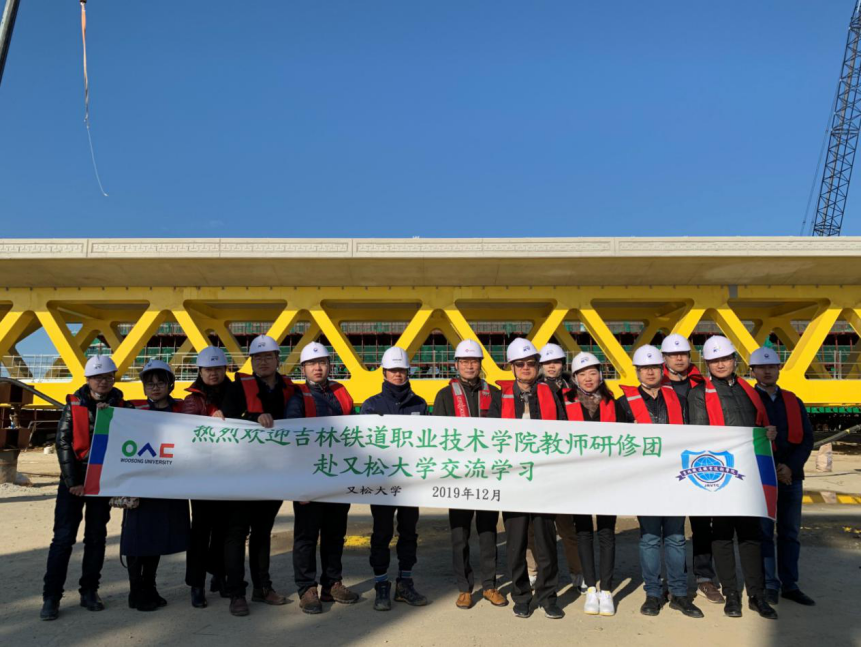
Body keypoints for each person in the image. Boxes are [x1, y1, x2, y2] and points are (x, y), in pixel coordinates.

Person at [688, 336, 778, 620]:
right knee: (722, 535)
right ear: (707, 364)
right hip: (721, 474)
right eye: (714, 360)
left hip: (749, 472)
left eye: (725, 359)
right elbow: (701, 435)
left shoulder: (750, 391)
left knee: (751, 535)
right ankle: (732, 596)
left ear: (734, 360)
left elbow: (759, 425)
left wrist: (768, 433)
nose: (720, 364)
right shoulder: (699, 394)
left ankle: (757, 596)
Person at [618, 346, 703, 619]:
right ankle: (653, 594)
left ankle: (679, 594)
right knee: (650, 538)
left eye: (654, 367)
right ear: (637, 372)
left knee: (676, 538)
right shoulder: (624, 403)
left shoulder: (679, 398)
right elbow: (615, 443)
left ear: (661, 369)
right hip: (644, 480)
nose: (650, 372)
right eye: (644, 368)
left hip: (675, 477)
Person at [221, 334, 302, 616]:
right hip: (242, 472)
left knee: (262, 532)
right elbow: (227, 421)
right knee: (236, 532)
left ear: (278, 359)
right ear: (251, 361)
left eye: (268, 357)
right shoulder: (237, 389)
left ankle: (262, 587)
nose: (263, 362)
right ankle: (236, 593)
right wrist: (254, 418)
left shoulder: (291, 390)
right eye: (257, 357)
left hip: (274, 472)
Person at [40, 356, 125, 621]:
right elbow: (63, 442)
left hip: (101, 481)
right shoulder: (73, 405)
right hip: (74, 482)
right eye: (98, 377)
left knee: (96, 537)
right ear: (88, 380)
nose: (103, 381)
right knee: (63, 539)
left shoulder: (121, 406)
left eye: (108, 376)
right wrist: (73, 481)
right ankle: (51, 597)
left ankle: (89, 591)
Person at [432, 339, 506, 610]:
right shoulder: (444, 395)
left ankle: (490, 586)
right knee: (459, 535)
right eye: (464, 361)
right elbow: (437, 435)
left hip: (488, 474)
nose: (469, 366)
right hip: (459, 475)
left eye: (473, 361)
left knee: (488, 532)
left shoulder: (495, 394)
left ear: (480, 364)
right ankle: (464, 588)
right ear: (457, 365)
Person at [499, 338, 566, 620]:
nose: (526, 368)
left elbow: (564, 432)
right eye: (520, 364)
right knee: (516, 544)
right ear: (512, 367)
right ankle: (522, 596)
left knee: (546, 542)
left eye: (530, 363)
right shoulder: (500, 397)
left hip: (543, 480)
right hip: (513, 481)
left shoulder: (551, 394)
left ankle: (548, 596)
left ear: (537, 366)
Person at [292, 342, 359, 614]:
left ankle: (332, 583)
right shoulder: (297, 396)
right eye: (311, 364)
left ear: (329, 365)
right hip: (309, 477)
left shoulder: (341, 392)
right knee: (306, 535)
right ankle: (307, 588)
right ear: (303, 369)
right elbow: (291, 437)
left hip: (338, 476)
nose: (317, 368)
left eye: (321, 362)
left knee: (335, 533)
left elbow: (356, 429)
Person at [361, 346, 429, 611]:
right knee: (381, 533)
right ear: (384, 372)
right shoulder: (371, 405)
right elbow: (363, 444)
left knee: (409, 532)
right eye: (393, 370)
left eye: (401, 370)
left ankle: (405, 583)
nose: (398, 374)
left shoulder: (419, 404)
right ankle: (381, 584)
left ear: (407, 372)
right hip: (382, 482)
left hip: (410, 483)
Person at [749, 347, 815, 607]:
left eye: (772, 367)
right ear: (753, 371)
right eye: (762, 367)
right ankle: (769, 584)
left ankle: (790, 584)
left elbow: (807, 438)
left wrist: (791, 468)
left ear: (778, 369)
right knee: (764, 533)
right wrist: (776, 467)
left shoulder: (793, 400)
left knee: (789, 532)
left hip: (791, 477)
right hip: (762, 477)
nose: (767, 371)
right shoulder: (747, 401)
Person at [123, 360, 191, 612]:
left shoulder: (183, 410)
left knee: (156, 537)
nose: (155, 387)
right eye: (149, 383)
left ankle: (149, 586)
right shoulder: (131, 409)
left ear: (170, 385)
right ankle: (135, 590)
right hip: (139, 483)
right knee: (136, 537)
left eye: (160, 382)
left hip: (169, 485)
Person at [660, 333, 721, 604]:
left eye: (683, 354)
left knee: (702, 524)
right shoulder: (656, 386)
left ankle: (705, 577)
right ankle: (673, 579)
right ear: (664, 358)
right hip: (667, 465)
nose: (679, 358)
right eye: (673, 355)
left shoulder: (703, 385)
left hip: (699, 461)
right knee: (670, 528)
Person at [565, 351, 625, 617]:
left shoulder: (614, 403)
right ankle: (591, 587)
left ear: (600, 375)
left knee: (606, 533)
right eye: (582, 374)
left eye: (592, 373)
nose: (588, 378)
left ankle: (607, 590)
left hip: (607, 478)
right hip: (578, 478)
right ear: (575, 378)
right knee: (583, 533)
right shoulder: (565, 403)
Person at [530, 343, 585, 593]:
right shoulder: (532, 390)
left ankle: (577, 572)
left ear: (563, 364)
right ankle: (534, 571)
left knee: (567, 527)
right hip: (541, 465)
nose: (552, 366)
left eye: (556, 362)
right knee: (536, 529)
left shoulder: (574, 389)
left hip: (567, 466)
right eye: (547, 363)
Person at [182, 346, 232, 608]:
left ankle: (219, 575)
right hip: (202, 476)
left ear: (225, 369)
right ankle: (197, 584)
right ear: (200, 372)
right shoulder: (193, 400)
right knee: (201, 530)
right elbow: (188, 431)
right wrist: (210, 416)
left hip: (230, 473)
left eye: (218, 369)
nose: (213, 373)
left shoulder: (236, 394)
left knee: (224, 529)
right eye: (208, 369)